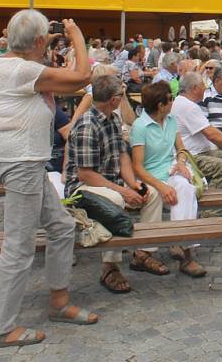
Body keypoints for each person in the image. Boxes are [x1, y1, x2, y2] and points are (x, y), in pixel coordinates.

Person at [0, 12, 94, 348]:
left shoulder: (6, 64)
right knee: (19, 245)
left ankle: (59, 301)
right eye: (45, 36)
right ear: (36, 41)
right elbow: (82, 76)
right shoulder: (22, 69)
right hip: (21, 161)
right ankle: (0, 328)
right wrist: (75, 34)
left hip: (20, 160)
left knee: (61, 225)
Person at [66, 74, 167, 294]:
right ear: (114, 99)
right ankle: (109, 267)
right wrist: (123, 191)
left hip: (110, 182)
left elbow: (121, 155)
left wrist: (134, 185)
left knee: (153, 194)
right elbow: (86, 175)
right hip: (82, 189)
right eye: (121, 95)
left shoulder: (112, 118)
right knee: (116, 200)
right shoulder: (87, 125)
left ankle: (142, 253)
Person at [130, 81, 206, 278]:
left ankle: (184, 247)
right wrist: (162, 187)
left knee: (185, 187)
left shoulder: (171, 120)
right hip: (150, 178)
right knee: (181, 189)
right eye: (170, 99)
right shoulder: (140, 126)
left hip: (171, 171)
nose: (173, 102)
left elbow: (181, 148)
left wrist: (181, 162)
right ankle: (184, 250)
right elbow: (137, 167)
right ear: (160, 105)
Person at [170, 72, 222, 215]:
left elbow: (213, 133)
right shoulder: (188, 106)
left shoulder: (184, 103)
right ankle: (211, 213)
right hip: (192, 156)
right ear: (195, 88)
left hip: (200, 152)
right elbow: (212, 135)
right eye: (203, 86)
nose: (205, 89)